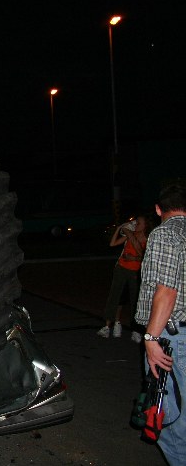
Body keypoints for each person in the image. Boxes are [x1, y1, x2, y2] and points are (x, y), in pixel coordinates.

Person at [136, 183, 186, 466]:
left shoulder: (165, 233)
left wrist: (151, 339)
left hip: (173, 339)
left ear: (158, 209)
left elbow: (167, 291)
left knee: (167, 420)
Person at [97, 214, 153, 342]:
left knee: (136, 300)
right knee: (115, 296)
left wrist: (134, 257)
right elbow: (112, 244)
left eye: (139, 223)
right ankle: (108, 326)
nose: (135, 225)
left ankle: (136, 329)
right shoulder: (129, 234)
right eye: (136, 223)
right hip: (122, 268)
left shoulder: (148, 238)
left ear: (146, 225)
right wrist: (120, 229)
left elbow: (143, 255)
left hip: (136, 272)